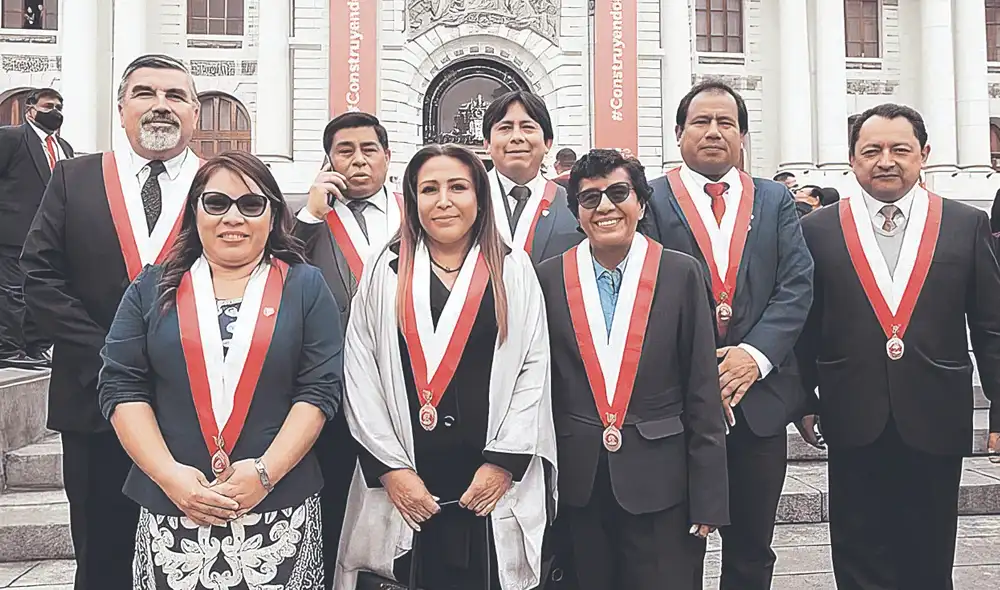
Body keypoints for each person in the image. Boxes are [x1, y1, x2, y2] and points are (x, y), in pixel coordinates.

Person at [98, 151, 342, 588]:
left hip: (277, 507)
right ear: (195, 213)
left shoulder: (305, 286)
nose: (233, 217)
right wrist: (170, 476)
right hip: (174, 505)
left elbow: (320, 390)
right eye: (216, 203)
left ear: (273, 214)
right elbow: (121, 385)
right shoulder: (151, 288)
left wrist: (264, 473)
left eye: (251, 204)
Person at [795, 103, 1000, 590]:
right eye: (872, 150)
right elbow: (805, 326)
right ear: (852, 159)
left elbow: (991, 326)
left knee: (929, 556)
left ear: (923, 154)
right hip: (852, 415)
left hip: (936, 413)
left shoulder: (963, 224)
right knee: (857, 551)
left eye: (899, 149)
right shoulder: (819, 229)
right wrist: (803, 400)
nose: (885, 160)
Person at [335, 144, 556, 590]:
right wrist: (390, 469)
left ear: (480, 196)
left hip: (488, 482)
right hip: (406, 483)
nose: (444, 201)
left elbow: (535, 367)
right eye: (429, 189)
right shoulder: (386, 268)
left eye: (458, 187)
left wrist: (504, 463)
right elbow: (360, 370)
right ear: (412, 200)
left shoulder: (511, 267)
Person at [20, 54, 202, 590]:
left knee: (191, 560)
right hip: (93, 404)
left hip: (200, 407)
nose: (161, 105)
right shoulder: (75, 178)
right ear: (120, 109)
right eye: (145, 93)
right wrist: (111, 362)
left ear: (195, 112)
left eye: (176, 96)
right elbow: (40, 277)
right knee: (103, 560)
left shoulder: (220, 185)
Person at [641, 80, 814, 590]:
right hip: (676, 409)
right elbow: (646, 289)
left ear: (742, 136)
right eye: (701, 121)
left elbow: (795, 284)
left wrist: (753, 357)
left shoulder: (776, 198)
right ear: (678, 133)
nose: (714, 132)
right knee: (676, 546)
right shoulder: (651, 198)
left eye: (726, 123)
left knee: (753, 550)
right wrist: (702, 371)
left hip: (757, 401)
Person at [538, 149, 728, 589]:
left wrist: (709, 496)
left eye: (619, 193)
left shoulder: (680, 272)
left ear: (641, 204)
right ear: (577, 214)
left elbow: (701, 387)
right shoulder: (548, 278)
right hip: (578, 482)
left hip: (663, 483)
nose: (605, 206)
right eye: (589, 199)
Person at [293, 111, 402, 587]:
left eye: (368, 149)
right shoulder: (311, 216)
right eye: (345, 151)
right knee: (335, 499)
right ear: (329, 159)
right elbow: (278, 273)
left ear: (386, 157)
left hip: (409, 386)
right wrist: (309, 215)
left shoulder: (415, 207)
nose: (358, 161)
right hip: (333, 392)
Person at [0, 87, 73, 369]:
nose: (54, 111)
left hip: (49, 236)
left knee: (41, 292)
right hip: (13, 233)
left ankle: (35, 346)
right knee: (11, 292)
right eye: (48, 105)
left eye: (58, 106)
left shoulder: (63, 147)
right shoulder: (11, 138)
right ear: (31, 109)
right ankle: (8, 347)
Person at [483, 90, 582, 262]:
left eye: (527, 127)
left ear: (547, 143)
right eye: (505, 128)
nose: (517, 137)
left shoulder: (574, 205)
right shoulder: (468, 200)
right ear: (487, 144)